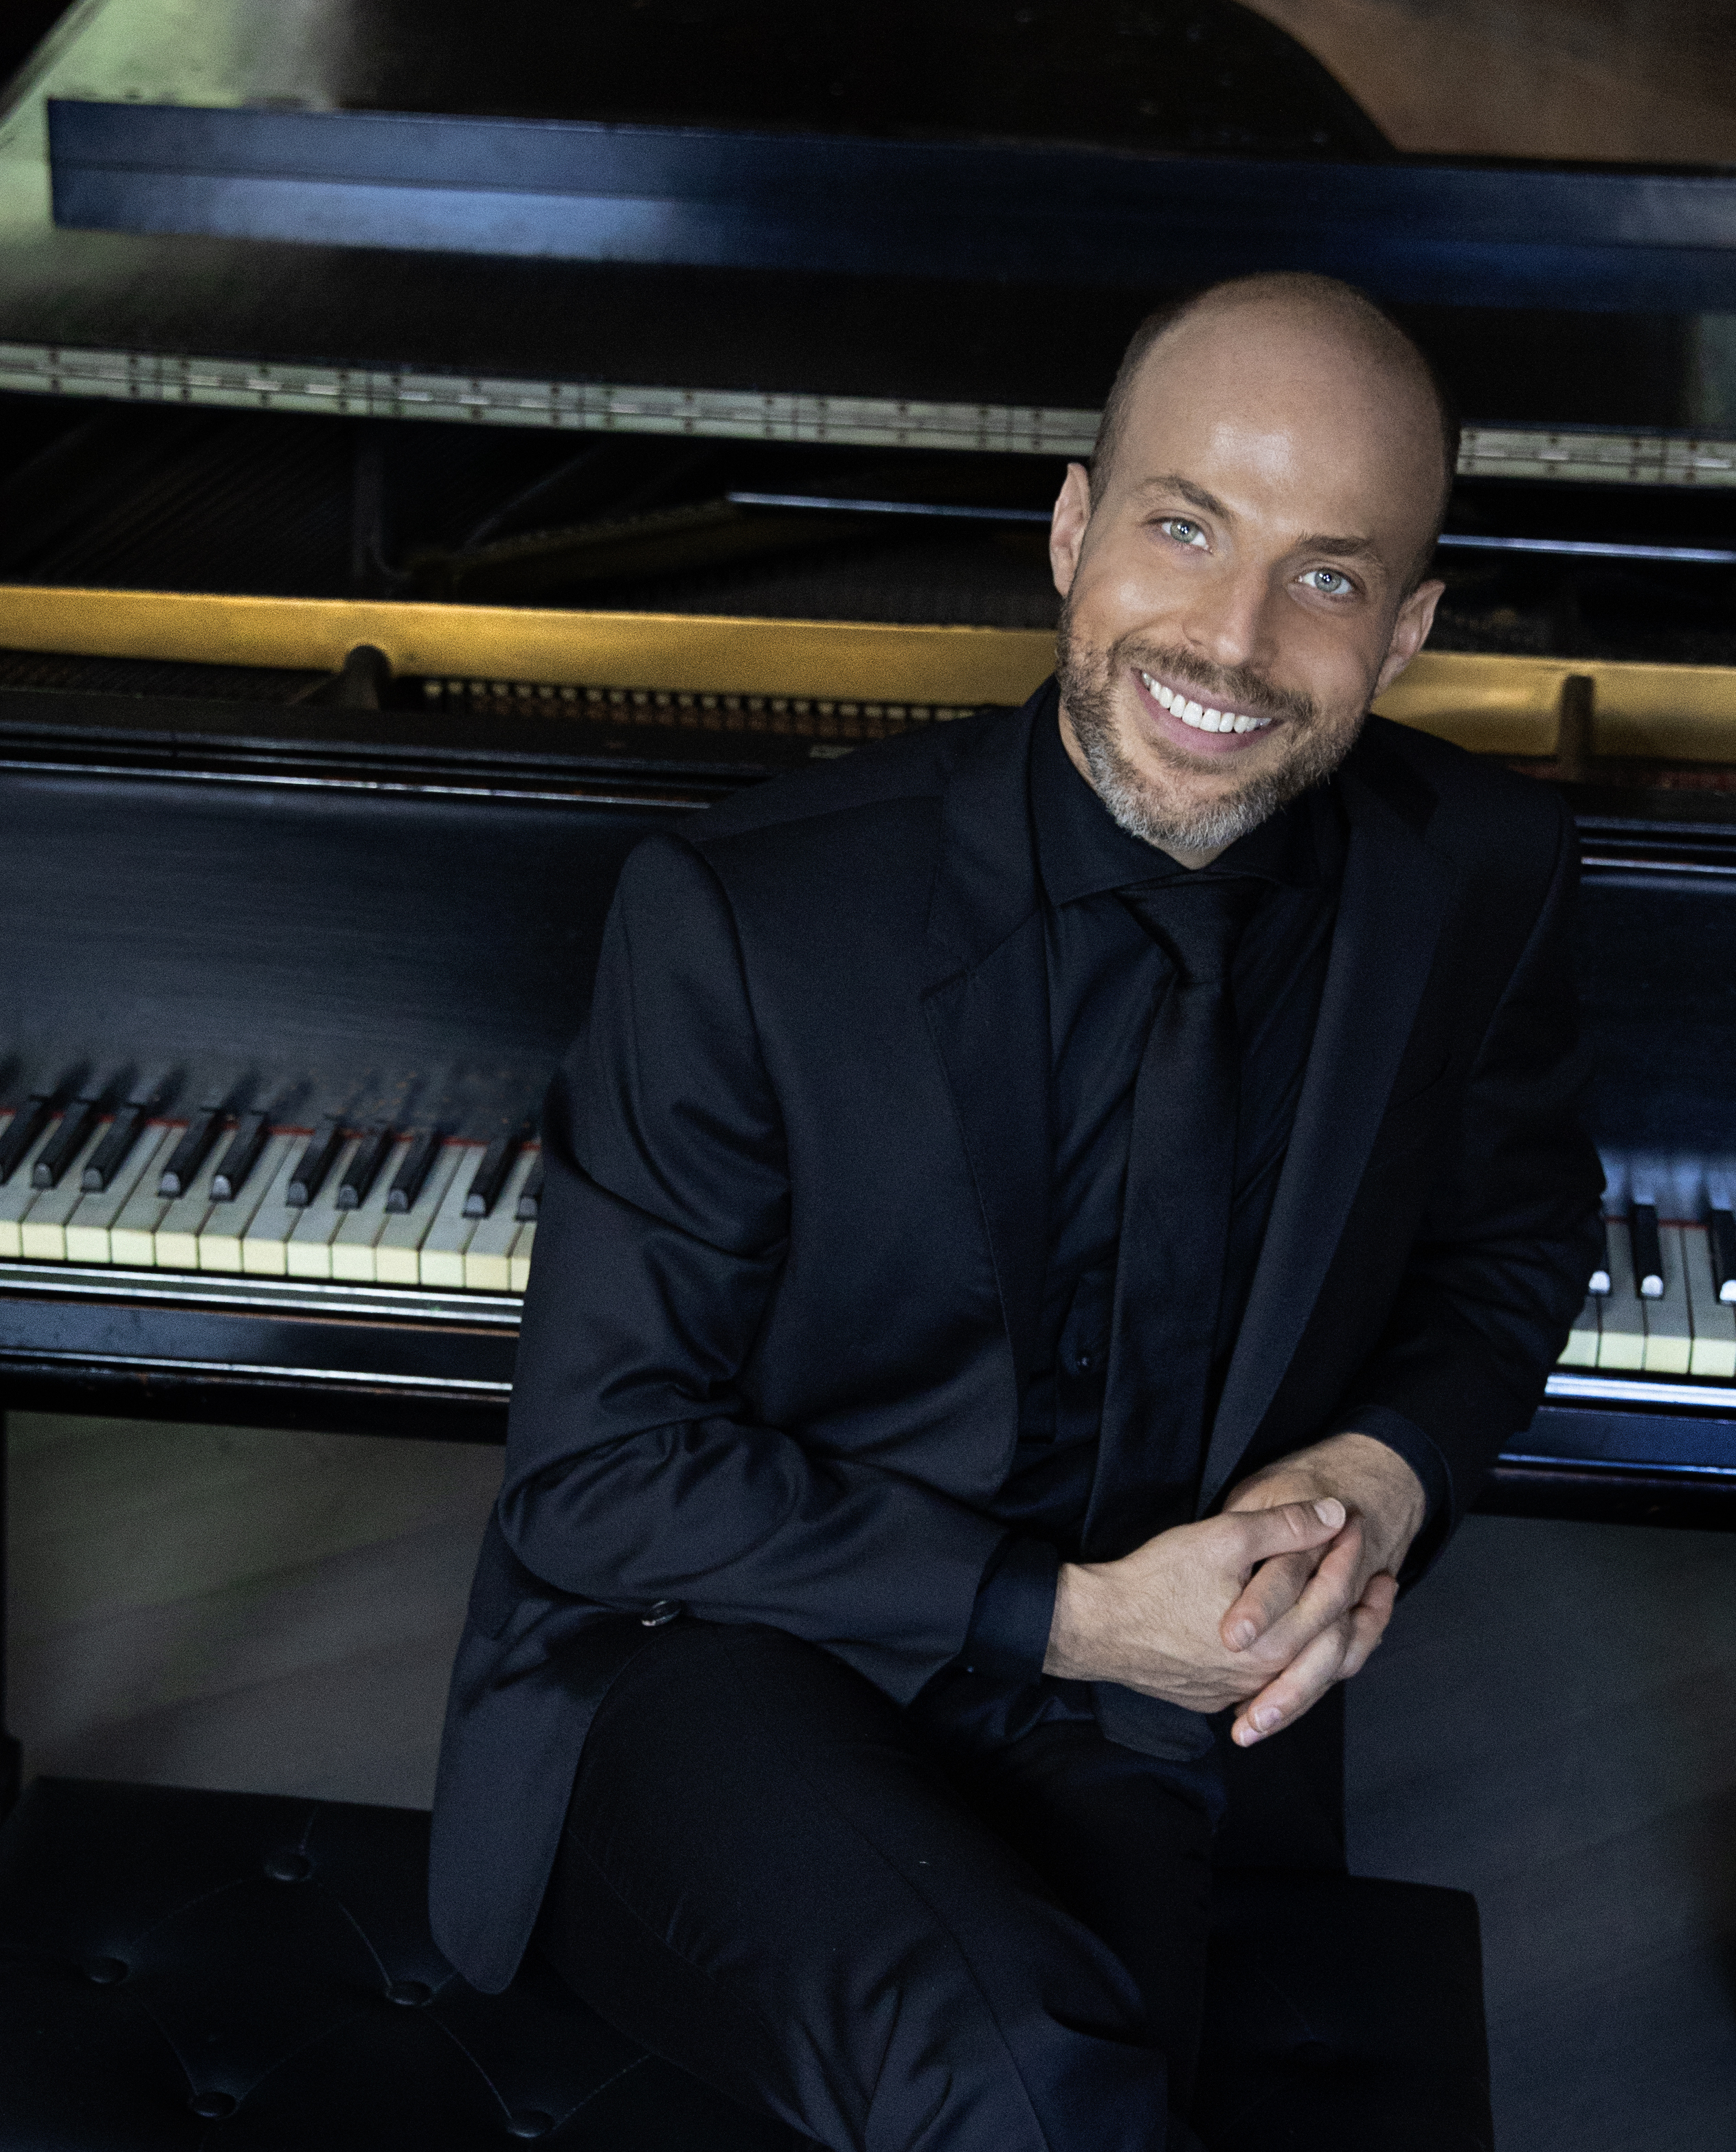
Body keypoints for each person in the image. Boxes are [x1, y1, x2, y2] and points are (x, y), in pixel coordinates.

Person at [430, 271, 1603, 2149]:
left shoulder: (1479, 875)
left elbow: (1512, 1245)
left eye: (1326, 575)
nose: (1228, 642)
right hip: (730, 1654)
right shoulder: (743, 919)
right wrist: (1072, 1615)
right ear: (1072, 533)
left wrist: (1389, 1473)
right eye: (1182, 526)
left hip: (1155, 1709)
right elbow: (596, 1475)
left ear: (1408, 630)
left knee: (1098, 2101)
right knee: (1034, 2076)